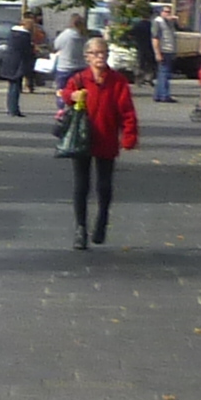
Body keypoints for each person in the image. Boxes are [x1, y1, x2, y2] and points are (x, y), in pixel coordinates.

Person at [61, 31, 137, 248]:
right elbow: (65, 94)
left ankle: (102, 219)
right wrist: (71, 96)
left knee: (104, 185)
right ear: (87, 57)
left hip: (106, 137)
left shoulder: (118, 81)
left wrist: (129, 135)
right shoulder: (79, 79)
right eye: (94, 53)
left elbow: (127, 111)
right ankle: (80, 229)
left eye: (102, 53)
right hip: (82, 138)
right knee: (81, 185)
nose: (99, 57)